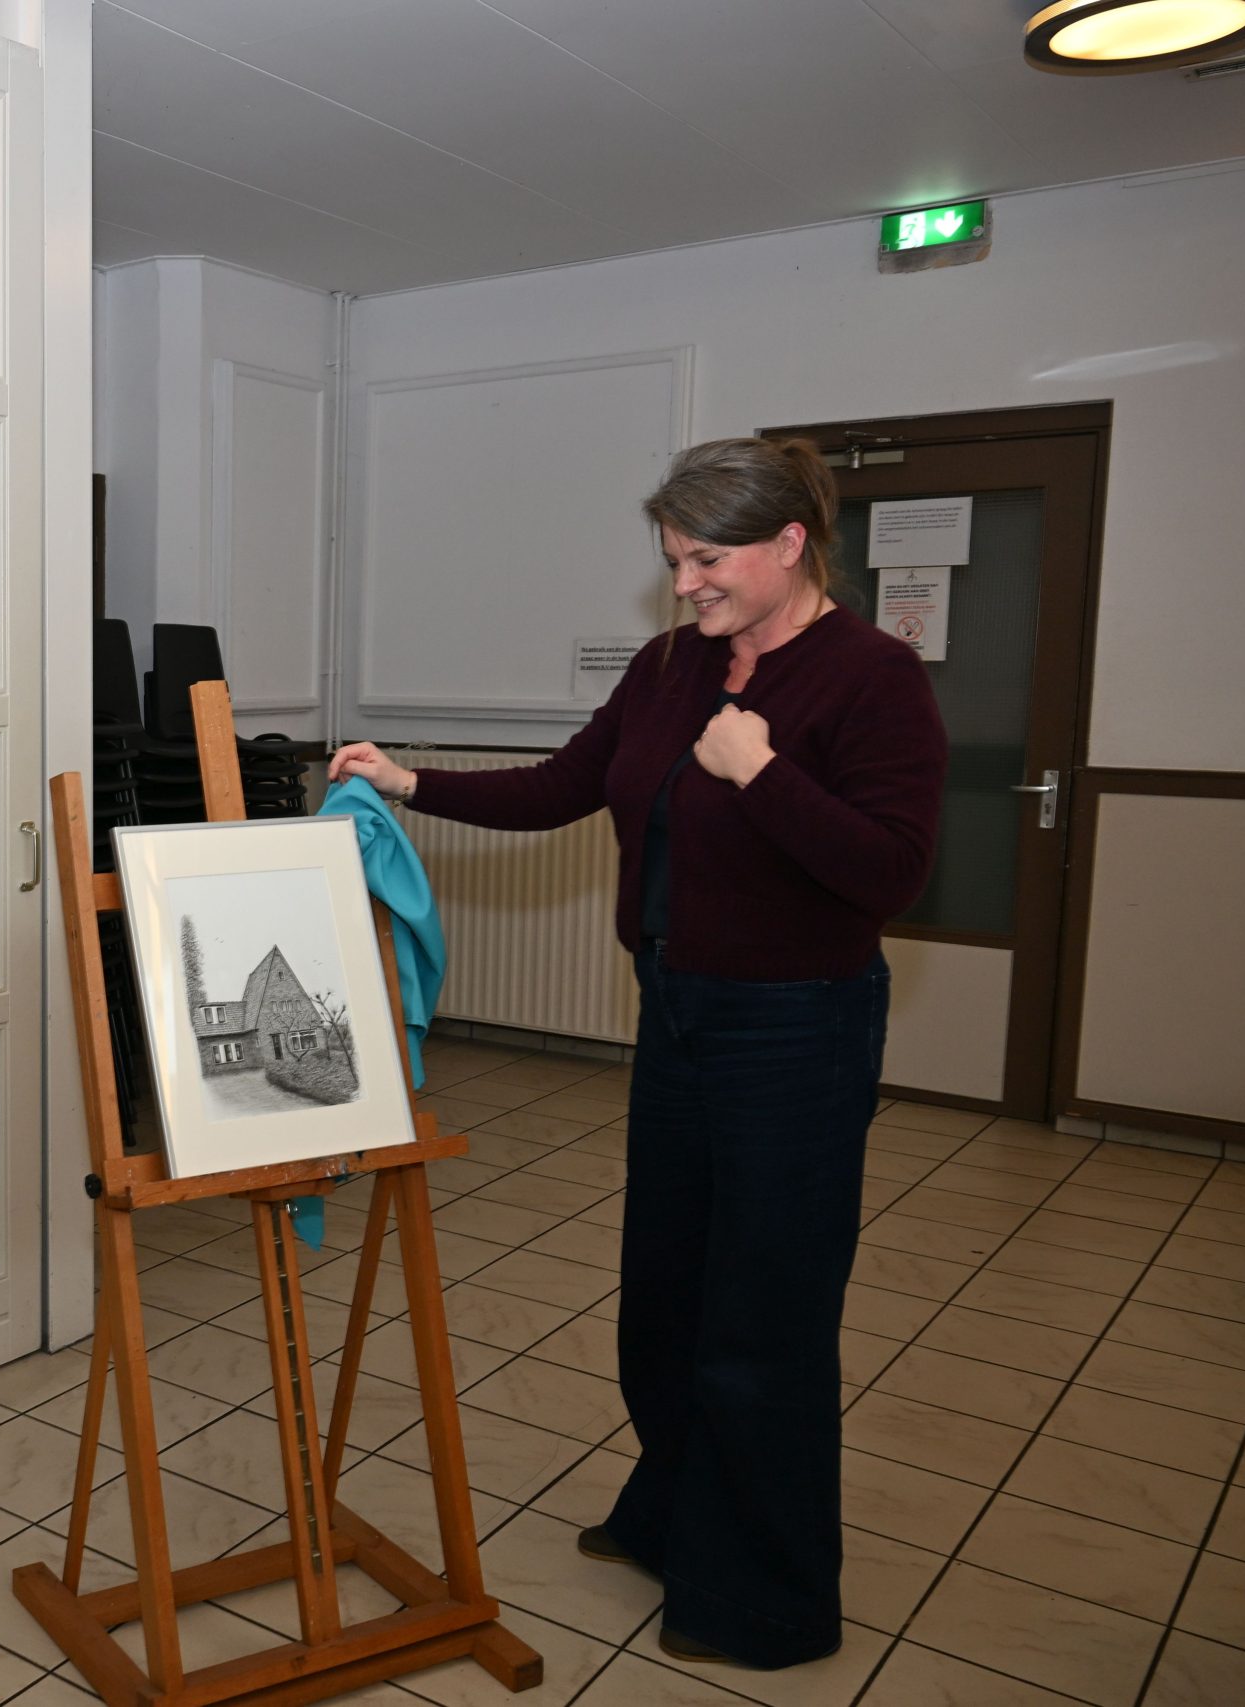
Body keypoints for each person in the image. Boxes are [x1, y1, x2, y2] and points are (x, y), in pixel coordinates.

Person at [329, 436, 944, 1671]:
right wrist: (407, 780)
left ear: (789, 544)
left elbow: (889, 872)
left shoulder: (872, 677)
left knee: (762, 1320)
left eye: (707, 560)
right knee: (663, 1299)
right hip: (675, 1010)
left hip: (797, 1027)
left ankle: (766, 1602)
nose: (684, 585)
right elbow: (568, 783)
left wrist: (761, 772)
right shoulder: (674, 666)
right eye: (672, 560)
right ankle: (673, 1515)